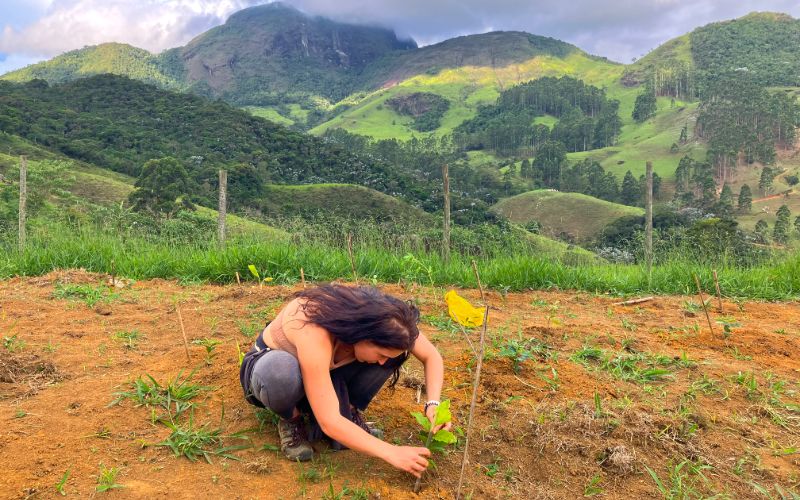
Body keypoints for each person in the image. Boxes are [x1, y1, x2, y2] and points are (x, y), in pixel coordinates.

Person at [239, 284, 451, 478]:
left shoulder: (390, 320)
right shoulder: (313, 328)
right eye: (381, 352)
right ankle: (291, 418)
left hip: (324, 372)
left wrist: (433, 404)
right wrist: (391, 452)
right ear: (363, 334)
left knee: (383, 358)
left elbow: (431, 356)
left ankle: (347, 412)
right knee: (280, 372)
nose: (384, 361)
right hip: (271, 369)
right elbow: (329, 421)